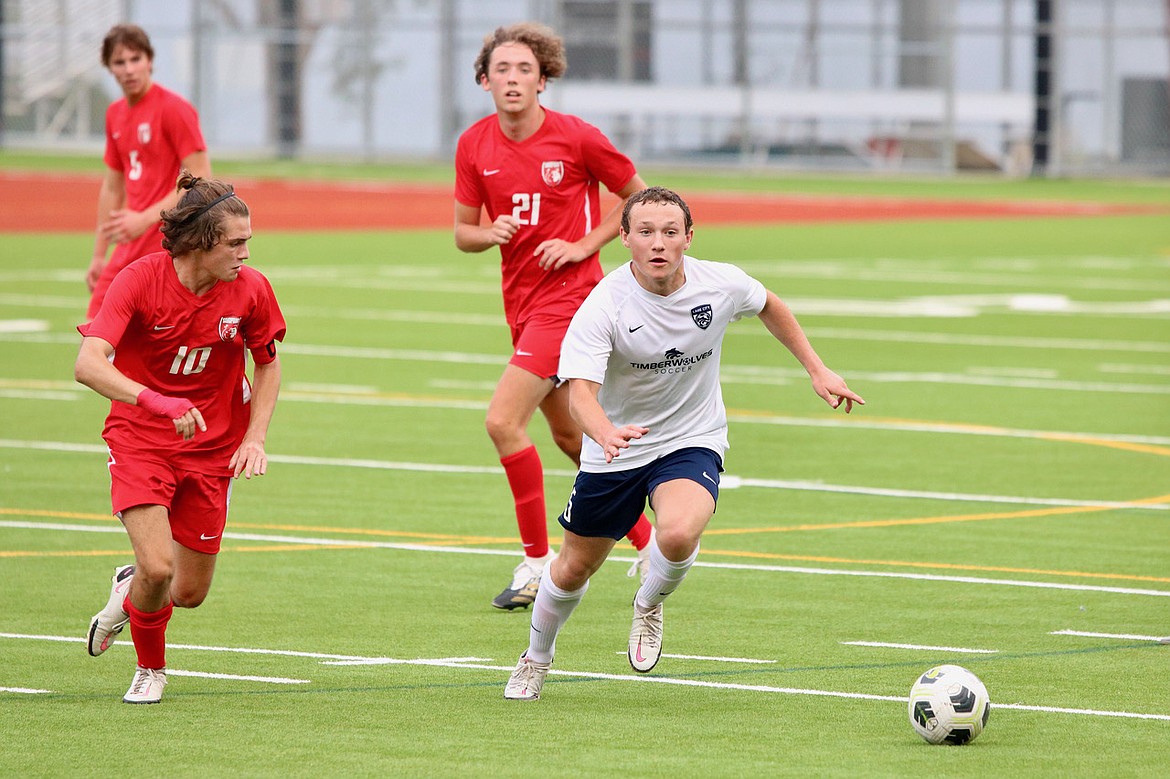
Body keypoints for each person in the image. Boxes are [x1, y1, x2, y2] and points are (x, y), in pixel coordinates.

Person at [503, 187, 865, 700]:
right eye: (645, 232)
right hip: (618, 448)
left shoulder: (720, 283)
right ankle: (536, 658)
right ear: (624, 238)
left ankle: (648, 603)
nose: (658, 243)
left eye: (670, 233)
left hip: (692, 436)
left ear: (688, 238)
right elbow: (579, 393)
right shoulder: (603, 304)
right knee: (573, 568)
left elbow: (769, 304)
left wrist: (817, 368)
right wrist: (605, 432)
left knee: (676, 535)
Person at [454, 22, 655, 610]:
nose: (512, 79)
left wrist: (585, 243)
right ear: (485, 79)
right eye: (502, 70)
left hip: (570, 302)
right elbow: (462, 233)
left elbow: (637, 196)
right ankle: (645, 543)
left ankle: (536, 561)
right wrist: (488, 232)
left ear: (544, 79)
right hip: (521, 303)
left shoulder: (577, 138)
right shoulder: (474, 144)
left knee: (501, 422)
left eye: (524, 69)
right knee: (572, 436)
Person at [75, 173, 286, 704]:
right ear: (201, 242)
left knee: (187, 592)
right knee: (159, 566)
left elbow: (268, 365)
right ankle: (151, 669)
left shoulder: (253, 289)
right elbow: (87, 364)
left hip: (215, 449)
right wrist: (155, 401)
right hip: (141, 439)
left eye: (248, 242)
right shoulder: (139, 280)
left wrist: (255, 438)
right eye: (235, 243)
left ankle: (129, 591)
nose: (245, 253)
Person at [85, 24, 211, 322]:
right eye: (119, 62)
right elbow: (113, 188)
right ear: (109, 68)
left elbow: (201, 178)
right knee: (94, 336)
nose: (129, 69)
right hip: (128, 247)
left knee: (156, 349)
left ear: (150, 61)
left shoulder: (174, 109)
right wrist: (100, 254)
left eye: (135, 59)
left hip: (167, 247)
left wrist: (143, 219)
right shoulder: (115, 114)